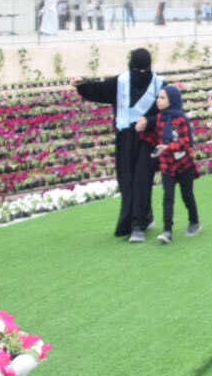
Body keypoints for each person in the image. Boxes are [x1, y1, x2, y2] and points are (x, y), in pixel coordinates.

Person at [73, 48, 161, 242]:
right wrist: (83, 84)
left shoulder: (158, 84)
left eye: (144, 70)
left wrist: (150, 122)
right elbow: (100, 89)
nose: (141, 74)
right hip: (125, 139)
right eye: (138, 70)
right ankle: (144, 215)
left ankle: (137, 226)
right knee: (127, 181)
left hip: (148, 140)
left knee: (142, 181)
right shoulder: (121, 82)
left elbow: (167, 111)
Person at [139, 83, 201, 243]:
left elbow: (185, 142)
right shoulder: (160, 118)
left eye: (162, 98)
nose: (158, 101)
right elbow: (157, 140)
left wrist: (169, 147)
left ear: (172, 100)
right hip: (167, 164)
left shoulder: (180, 119)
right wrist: (142, 133)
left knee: (187, 195)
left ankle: (194, 222)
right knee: (168, 197)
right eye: (158, 97)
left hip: (184, 164)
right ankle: (167, 231)